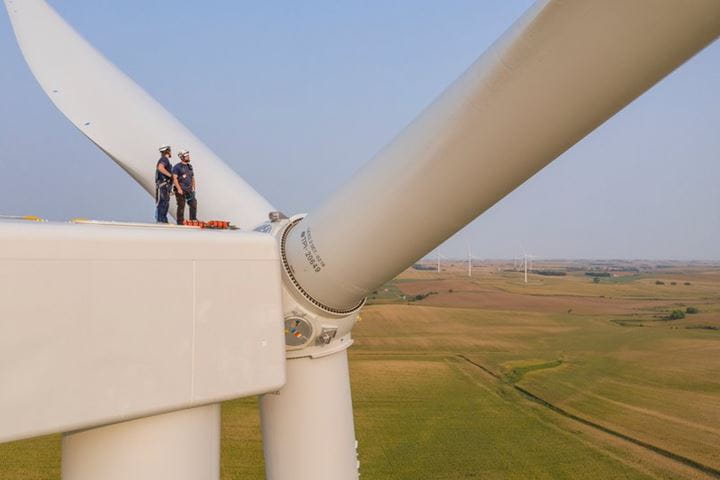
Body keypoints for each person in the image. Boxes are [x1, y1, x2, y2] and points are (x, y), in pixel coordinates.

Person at [172, 150, 197, 225]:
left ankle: (193, 220)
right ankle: (180, 222)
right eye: (186, 156)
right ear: (182, 157)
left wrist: (193, 187)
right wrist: (179, 189)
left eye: (188, 155)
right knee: (181, 206)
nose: (188, 157)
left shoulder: (190, 166)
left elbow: (192, 177)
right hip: (181, 190)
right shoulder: (177, 167)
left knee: (193, 204)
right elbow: (174, 178)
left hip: (189, 190)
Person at [155, 145, 173, 223]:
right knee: (163, 203)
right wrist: (170, 175)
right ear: (167, 151)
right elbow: (160, 167)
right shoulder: (164, 159)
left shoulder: (164, 159)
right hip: (164, 185)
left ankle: (162, 220)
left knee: (164, 203)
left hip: (164, 185)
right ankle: (161, 220)